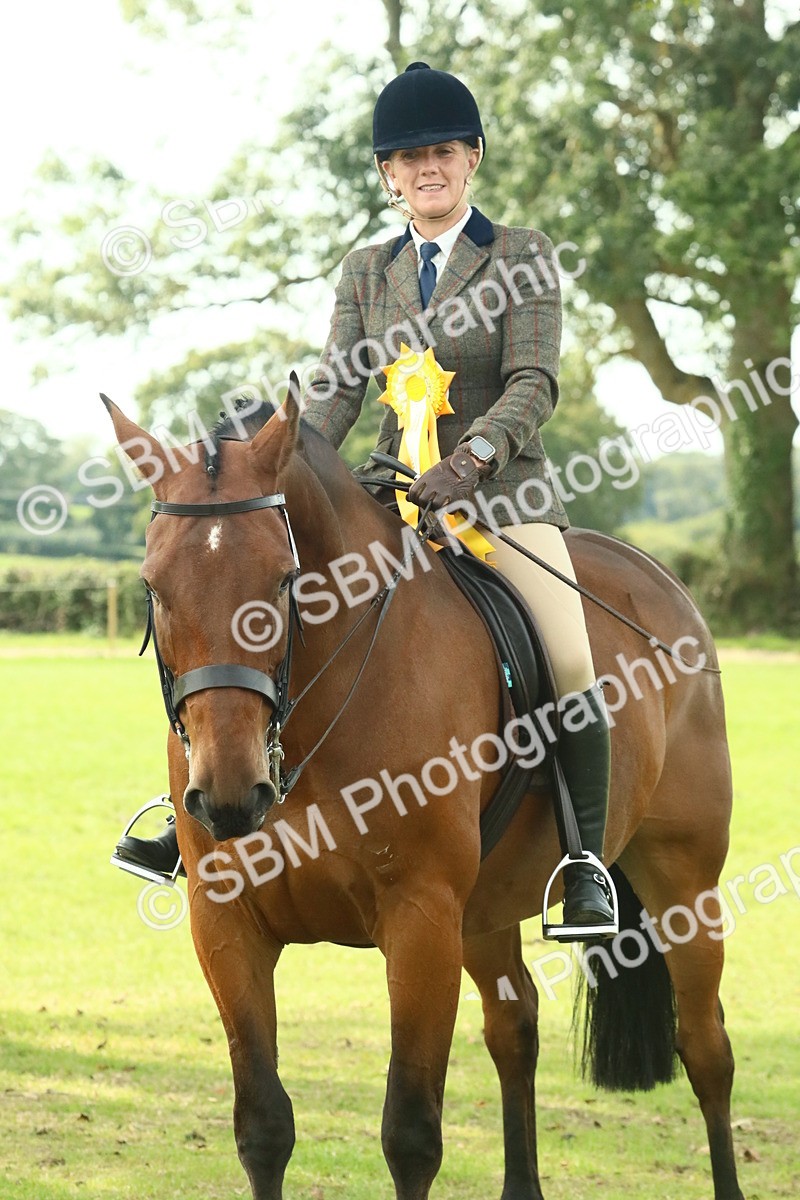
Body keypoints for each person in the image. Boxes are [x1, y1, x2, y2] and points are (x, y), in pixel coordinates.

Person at [114, 62, 615, 938]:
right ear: (389, 175)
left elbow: (536, 380)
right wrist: (273, 455)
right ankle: (194, 817)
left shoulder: (522, 255)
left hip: (501, 502)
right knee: (249, 614)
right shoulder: (366, 270)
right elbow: (340, 394)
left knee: (570, 658)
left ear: (473, 160)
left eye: (445, 152)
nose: (429, 168)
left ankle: (581, 865)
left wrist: (477, 458)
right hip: (389, 500)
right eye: (410, 157)